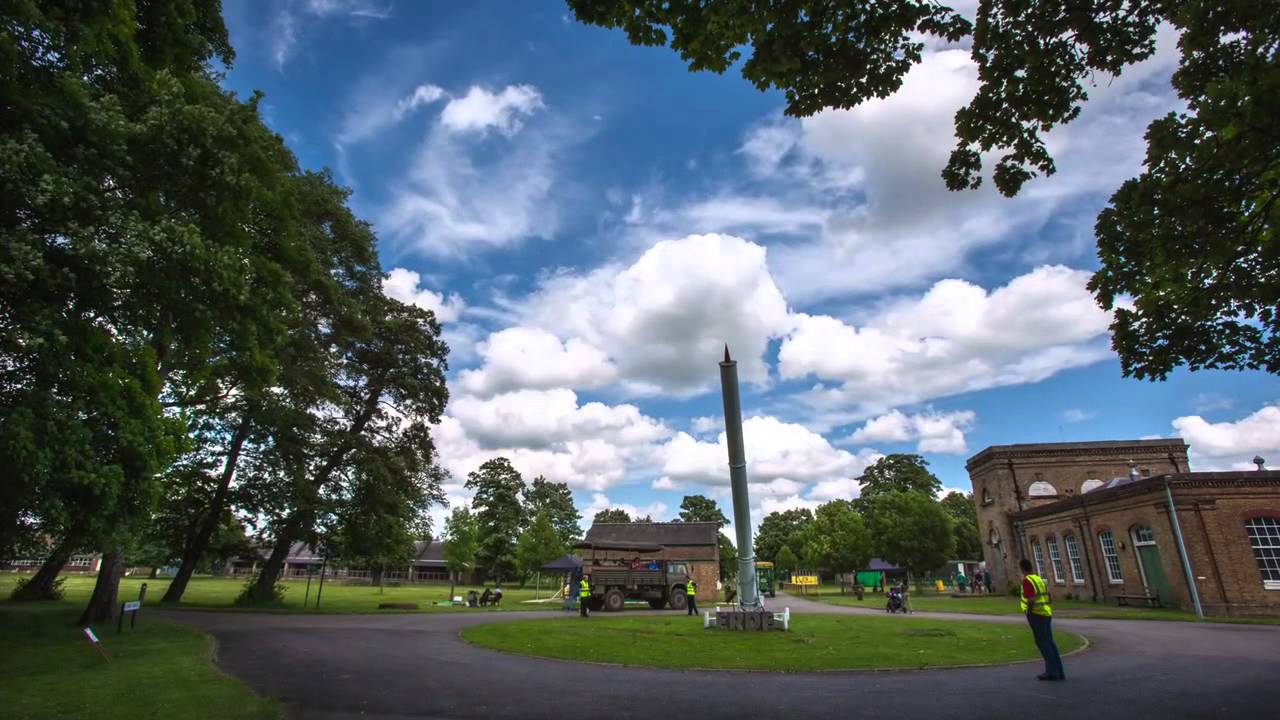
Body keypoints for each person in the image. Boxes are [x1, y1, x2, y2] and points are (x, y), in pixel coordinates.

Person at [1020, 557, 1065, 681]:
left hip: (1036, 615)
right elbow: (1048, 596)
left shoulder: (1027, 580)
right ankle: (1059, 670)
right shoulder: (1039, 579)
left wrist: (1029, 612)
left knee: (1043, 643)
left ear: (1022, 569)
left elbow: (1031, 599)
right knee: (1050, 642)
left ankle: (1051, 672)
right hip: (1046, 613)